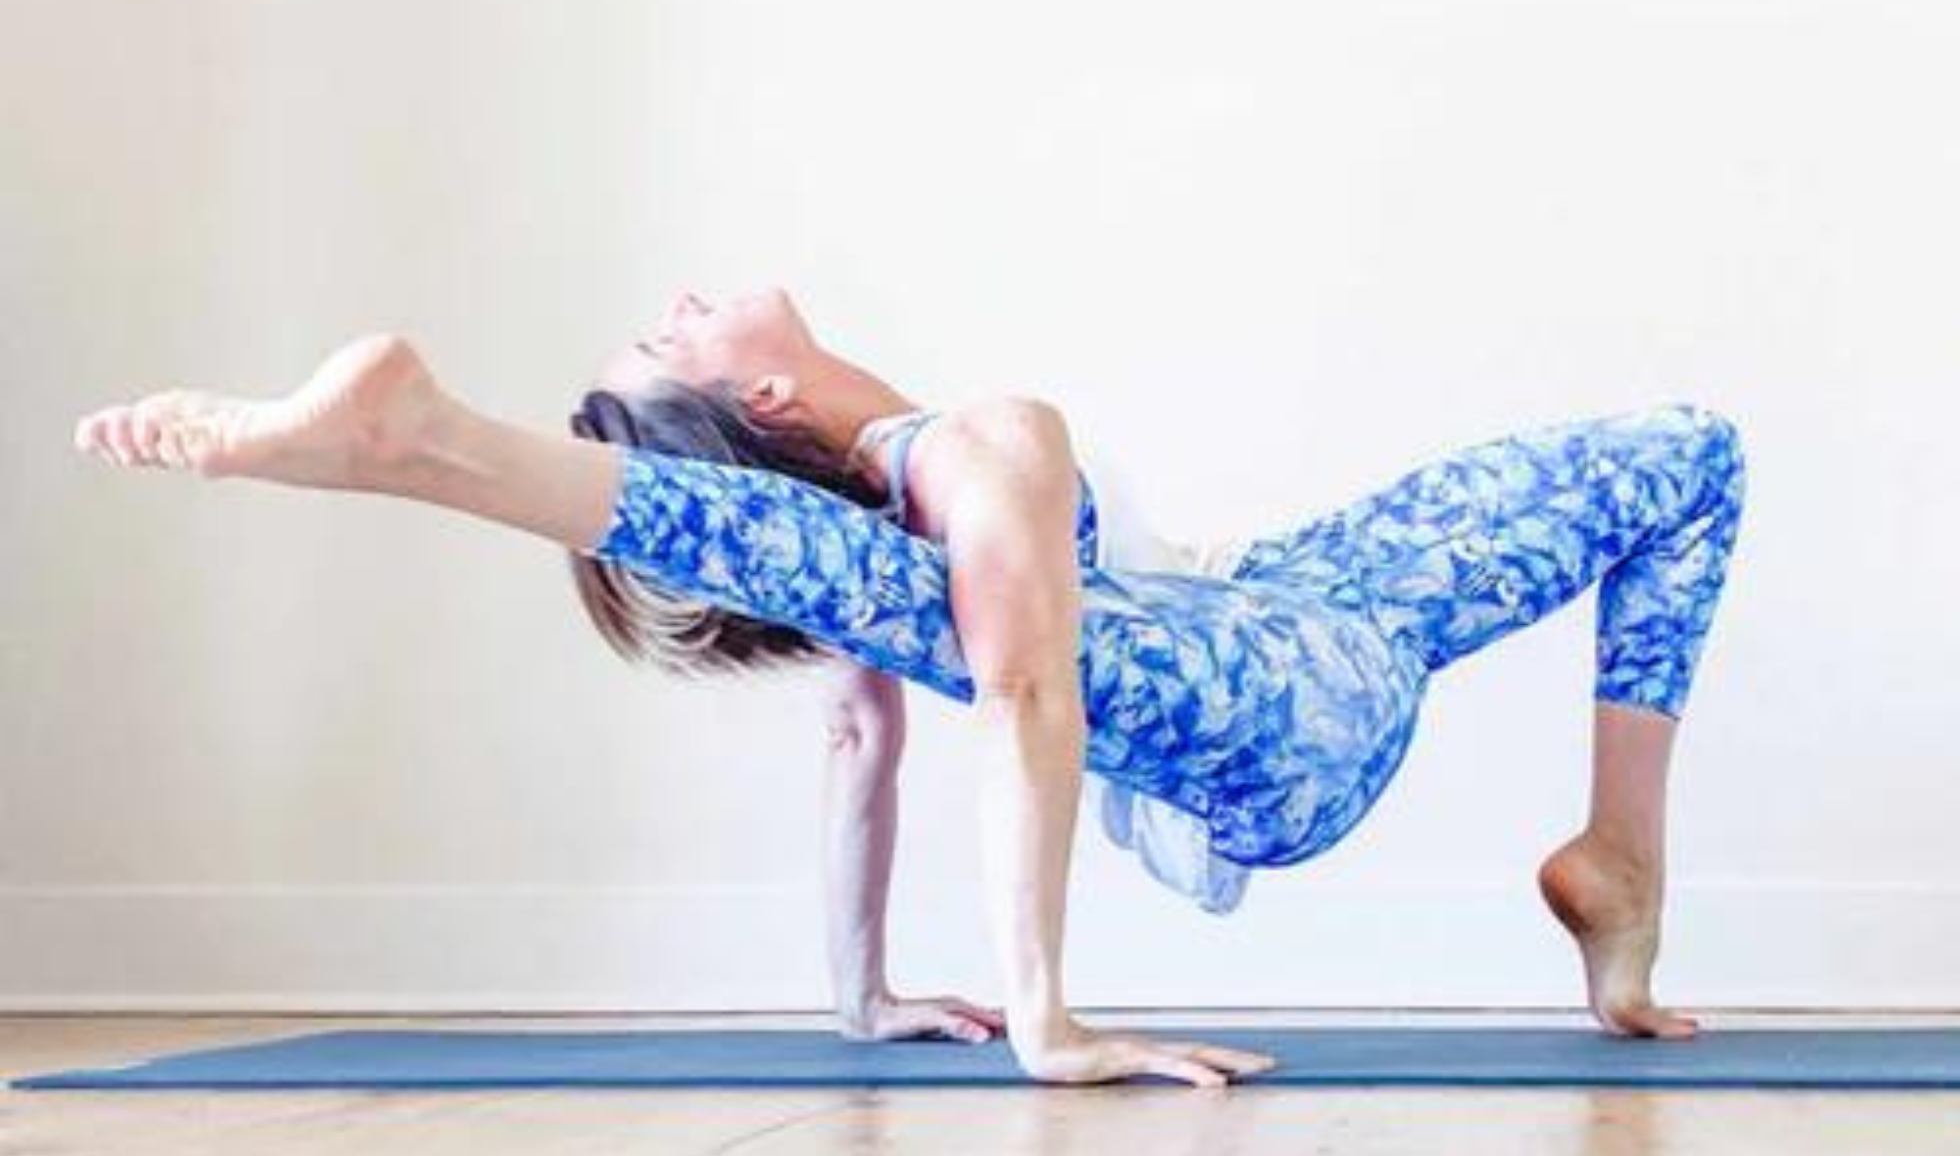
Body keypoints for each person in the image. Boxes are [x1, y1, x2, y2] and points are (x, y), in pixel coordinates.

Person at [71, 285, 1747, 1088]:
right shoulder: (976, 449)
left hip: (1289, 619)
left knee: (1688, 456)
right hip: (1259, 713)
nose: (681, 306)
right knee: (941, 607)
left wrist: (859, 990)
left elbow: (872, 746)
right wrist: (1043, 1021)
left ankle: (1624, 870)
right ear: (769, 399)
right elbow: (1005, 708)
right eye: (671, 343)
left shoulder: (944, 507)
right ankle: (428, 447)